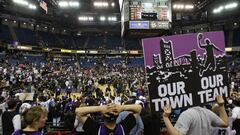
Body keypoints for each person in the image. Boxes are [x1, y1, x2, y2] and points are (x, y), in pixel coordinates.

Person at [162, 96, 229, 135]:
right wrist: (221, 105)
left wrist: (165, 117)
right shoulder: (207, 112)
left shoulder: (187, 114)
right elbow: (225, 123)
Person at [75, 103, 142, 135]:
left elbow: (78, 111)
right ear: (117, 116)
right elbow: (139, 108)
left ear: (102, 116)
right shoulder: (124, 127)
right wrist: (122, 107)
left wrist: (100, 108)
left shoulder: (96, 129)